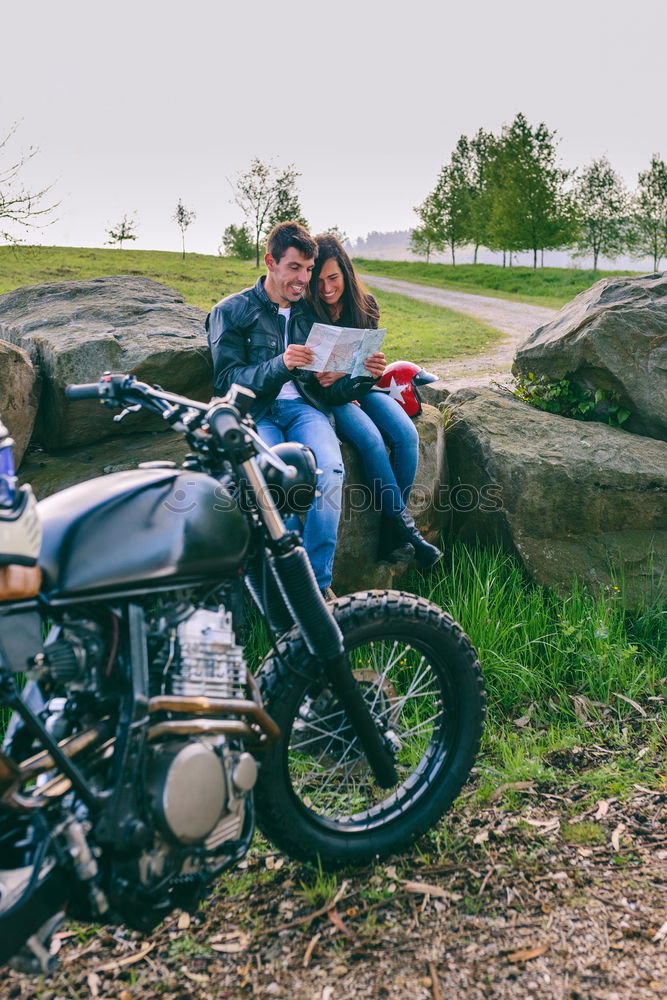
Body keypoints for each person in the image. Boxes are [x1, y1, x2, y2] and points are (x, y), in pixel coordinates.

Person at [206, 222, 385, 595]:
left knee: (330, 472)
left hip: (306, 409)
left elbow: (329, 392)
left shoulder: (310, 313)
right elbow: (226, 381)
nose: (304, 279)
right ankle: (283, 588)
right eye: (294, 268)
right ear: (271, 261)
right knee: (277, 482)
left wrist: (363, 377)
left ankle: (317, 587)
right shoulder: (232, 311)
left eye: (308, 269)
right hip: (256, 414)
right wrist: (281, 364)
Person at [309, 234, 442, 568]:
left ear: (346, 273)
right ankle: (406, 531)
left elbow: (364, 369)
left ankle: (391, 534)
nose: (326, 288)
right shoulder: (308, 310)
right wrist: (342, 376)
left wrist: (369, 369)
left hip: (362, 388)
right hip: (331, 398)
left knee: (405, 434)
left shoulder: (366, 305)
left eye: (333, 278)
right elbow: (320, 380)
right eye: (319, 280)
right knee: (370, 439)